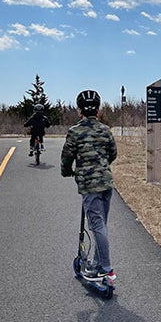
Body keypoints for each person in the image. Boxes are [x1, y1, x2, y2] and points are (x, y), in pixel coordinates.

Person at [61, 89, 118, 286]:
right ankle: (96, 263)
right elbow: (113, 153)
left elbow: (67, 156)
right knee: (101, 225)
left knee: (96, 225)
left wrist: (67, 171)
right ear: (98, 109)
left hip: (89, 185)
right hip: (106, 182)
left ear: (79, 111)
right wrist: (102, 165)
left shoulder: (75, 131)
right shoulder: (105, 130)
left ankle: (106, 268)